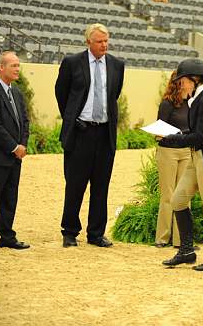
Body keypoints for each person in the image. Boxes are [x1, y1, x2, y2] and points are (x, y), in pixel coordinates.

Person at [55, 23, 125, 248]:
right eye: (99, 41)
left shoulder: (117, 65)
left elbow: (114, 94)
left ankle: (96, 233)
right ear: (88, 42)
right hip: (80, 132)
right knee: (75, 184)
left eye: (106, 41)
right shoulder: (72, 62)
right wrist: (72, 119)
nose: (104, 45)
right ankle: (70, 231)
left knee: (101, 185)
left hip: (104, 134)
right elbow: (61, 93)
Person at [161, 59, 203, 271]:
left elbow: (200, 137)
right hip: (195, 157)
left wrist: (173, 139)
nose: (181, 85)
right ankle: (187, 251)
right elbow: (195, 133)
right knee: (178, 200)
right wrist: (177, 135)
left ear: (195, 79)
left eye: (183, 81)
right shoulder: (197, 99)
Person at [0, 51, 30, 254]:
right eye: (13, 65)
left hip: (15, 159)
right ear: (1, 67)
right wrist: (14, 147)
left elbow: (25, 121)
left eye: (18, 65)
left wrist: (22, 145)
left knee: (10, 198)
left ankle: (7, 236)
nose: (17, 69)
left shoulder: (17, 93)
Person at [154, 71, 190, 248]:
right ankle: (162, 237)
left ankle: (181, 240)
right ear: (178, 82)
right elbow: (159, 131)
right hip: (168, 152)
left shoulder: (191, 103)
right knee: (168, 195)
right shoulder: (167, 104)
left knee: (183, 196)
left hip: (186, 152)